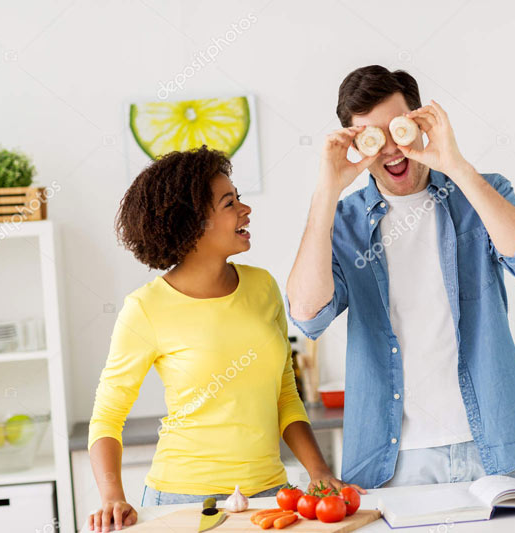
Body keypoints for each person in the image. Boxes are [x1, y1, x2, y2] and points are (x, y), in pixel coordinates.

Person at [287, 65, 515, 489]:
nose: (391, 149)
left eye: (399, 129)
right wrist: (327, 192)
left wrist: (456, 164)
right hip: (393, 461)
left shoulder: (481, 193)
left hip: (497, 447)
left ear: (418, 121)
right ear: (355, 145)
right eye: (371, 137)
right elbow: (307, 316)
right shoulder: (344, 222)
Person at [87, 147, 360, 532]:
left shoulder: (262, 286)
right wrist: (112, 496)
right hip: (181, 500)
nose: (246, 210)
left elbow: (285, 395)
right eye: (230, 202)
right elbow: (107, 417)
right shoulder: (145, 308)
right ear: (193, 222)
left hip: (270, 495)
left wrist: (318, 471)